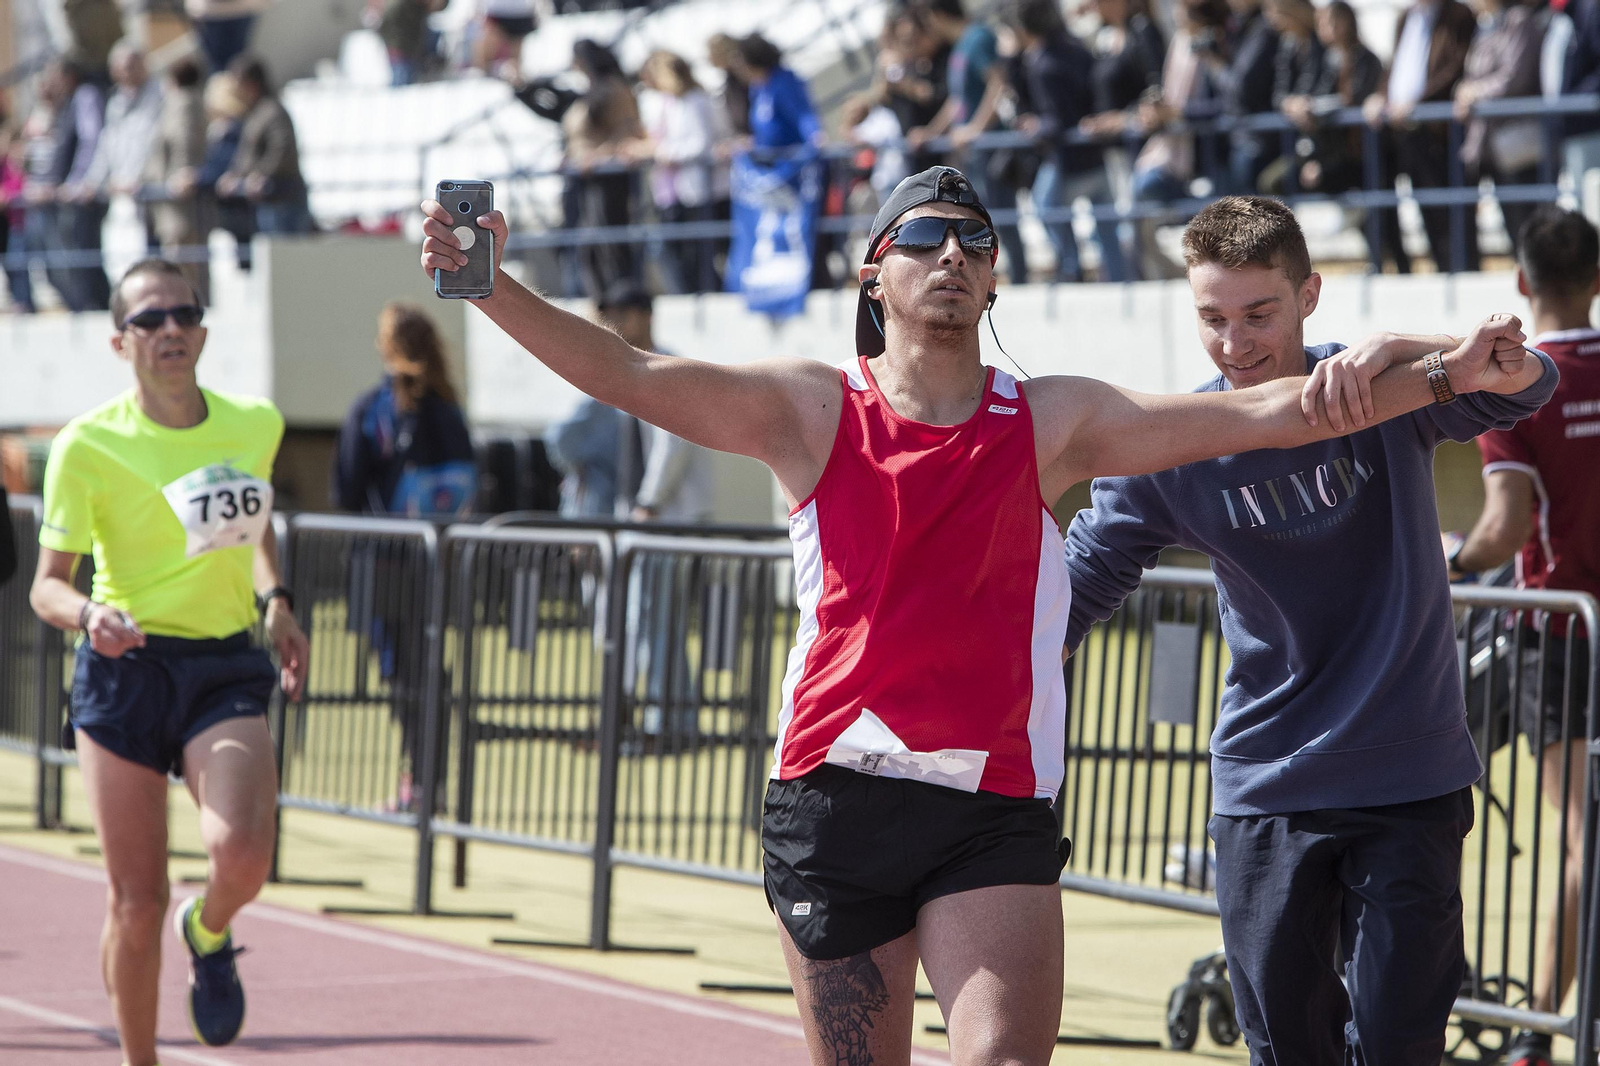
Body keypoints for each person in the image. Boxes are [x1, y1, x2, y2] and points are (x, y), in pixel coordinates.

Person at [422, 165, 1535, 1066]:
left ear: (996, 279)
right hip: (836, 795)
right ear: (875, 271)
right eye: (922, 236)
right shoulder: (809, 408)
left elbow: (1274, 410)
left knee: (1001, 1057)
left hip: (992, 799)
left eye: (973, 239)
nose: (950, 253)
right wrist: (488, 286)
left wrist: (1441, 371)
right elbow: (629, 369)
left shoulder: (1055, 420)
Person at [1063, 196, 1556, 1065]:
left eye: (1259, 314)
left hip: (1410, 778)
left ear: (1310, 296)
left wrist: (1402, 346)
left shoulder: (1383, 393)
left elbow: (1529, 378)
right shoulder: (1179, 440)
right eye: (1212, 317)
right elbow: (1078, 584)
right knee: (1288, 1051)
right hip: (1266, 786)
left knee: (1401, 1047)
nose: (1234, 342)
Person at [28, 257, 309, 1066]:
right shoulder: (87, 445)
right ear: (122, 343)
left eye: (183, 315)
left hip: (222, 664)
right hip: (124, 671)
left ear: (205, 331)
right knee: (136, 903)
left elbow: (251, 522)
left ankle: (211, 927)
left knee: (244, 854)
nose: (170, 330)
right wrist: (90, 616)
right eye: (149, 321)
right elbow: (47, 590)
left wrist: (278, 600)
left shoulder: (254, 424)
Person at [1446, 207, 1600, 1066]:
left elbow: (1503, 530)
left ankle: (1544, 1032)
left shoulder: (1518, 387)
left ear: (1520, 283)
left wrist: (1447, 566)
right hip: (1568, 637)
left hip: (1563, 638)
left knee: (1580, 834)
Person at [332, 300, 473, 813]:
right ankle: (430, 780)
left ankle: (419, 782)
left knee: (401, 673)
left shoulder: (374, 410)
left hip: (383, 562)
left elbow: (346, 488)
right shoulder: (448, 408)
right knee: (430, 670)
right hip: (437, 563)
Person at [1004, 0, 1130, 282]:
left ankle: (1071, 269)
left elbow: (1056, 121)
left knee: (1044, 207)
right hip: (1096, 155)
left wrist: (1035, 125)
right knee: (1108, 230)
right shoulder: (1076, 49)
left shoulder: (1043, 63)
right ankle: (1120, 278)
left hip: (1068, 162)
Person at [906, 0, 1030, 283]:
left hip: (991, 149)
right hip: (973, 155)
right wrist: (932, 132)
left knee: (1000, 217)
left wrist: (976, 128)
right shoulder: (959, 47)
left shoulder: (978, 37)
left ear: (938, 14)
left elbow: (998, 82)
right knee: (982, 218)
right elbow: (957, 101)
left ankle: (1020, 277)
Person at [1363, 0, 1478, 274]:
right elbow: (1396, 67)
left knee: (1451, 214)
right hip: (1406, 131)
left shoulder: (1458, 15)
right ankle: (1441, 270)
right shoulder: (1406, 17)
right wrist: (1380, 97)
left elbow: (1455, 67)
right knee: (1427, 211)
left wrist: (1418, 103)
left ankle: (1461, 272)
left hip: (1440, 132)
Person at [1454, 0, 1546, 258]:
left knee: (1530, 226)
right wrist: (1463, 90)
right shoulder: (1484, 25)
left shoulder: (1519, 20)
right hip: (1489, 144)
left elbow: (1515, 77)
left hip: (1517, 144)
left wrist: (1474, 92)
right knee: (1513, 226)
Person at [561, 39, 643, 300]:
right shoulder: (591, 92)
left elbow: (628, 132)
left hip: (608, 178)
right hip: (584, 179)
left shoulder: (615, 90)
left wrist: (598, 155)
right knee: (589, 247)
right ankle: (601, 300)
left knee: (610, 245)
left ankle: (620, 300)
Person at [635, 49, 720, 294]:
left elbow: (700, 144)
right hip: (669, 190)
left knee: (694, 252)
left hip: (691, 187)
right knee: (674, 250)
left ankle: (702, 293)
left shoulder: (694, 100)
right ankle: (687, 293)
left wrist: (663, 153)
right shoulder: (666, 103)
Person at [1278, 1, 1382, 197]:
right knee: (1280, 181)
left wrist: (1316, 107)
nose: (1325, 29)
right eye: (1322, 23)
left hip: (1359, 152)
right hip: (1328, 151)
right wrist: (1301, 105)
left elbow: (1354, 99)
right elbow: (1316, 93)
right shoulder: (1328, 59)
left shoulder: (1365, 59)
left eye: (1331, 22)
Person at [73, 42, 164, 255]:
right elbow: (106, 145)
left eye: (132, 65)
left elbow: (153, 144)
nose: (126, 71)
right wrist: (93, 181)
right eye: (121, 67)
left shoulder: (160, 96)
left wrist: (139, 178)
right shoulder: (116, 102)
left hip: (147, 193)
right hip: (119, 194)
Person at [218, 55, 312, 237]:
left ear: (251, 84)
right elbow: (247, 154)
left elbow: (281, 149)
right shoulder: (257, 112)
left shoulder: (272, 111)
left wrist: (262, 174)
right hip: (270, 201)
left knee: (286, 256)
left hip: (283, 198)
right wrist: (235, 174)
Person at [146, 56, 211, 303]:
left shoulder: (182, 103)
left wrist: (181, 174)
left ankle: (186, 307)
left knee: (182, 260)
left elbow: (183, 140)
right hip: (172, 199)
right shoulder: (188, 102)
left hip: (178, 201)